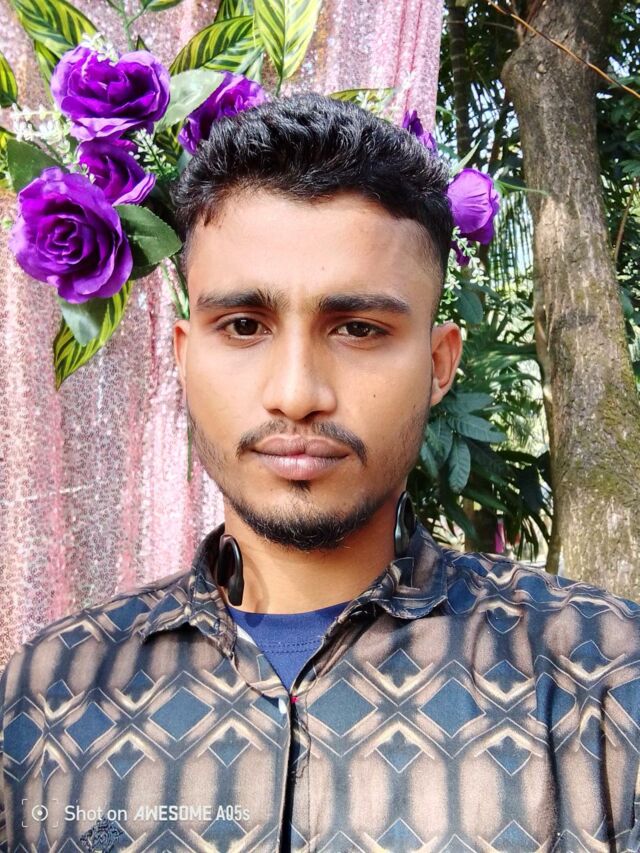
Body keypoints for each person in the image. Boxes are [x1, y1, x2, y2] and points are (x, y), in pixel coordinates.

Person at [1, 92, 639, 853]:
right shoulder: (49, 693)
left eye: (359, 329)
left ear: (439, 364)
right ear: (184, 356)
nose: (297, 393)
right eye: (244, 326)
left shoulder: (604, 680)